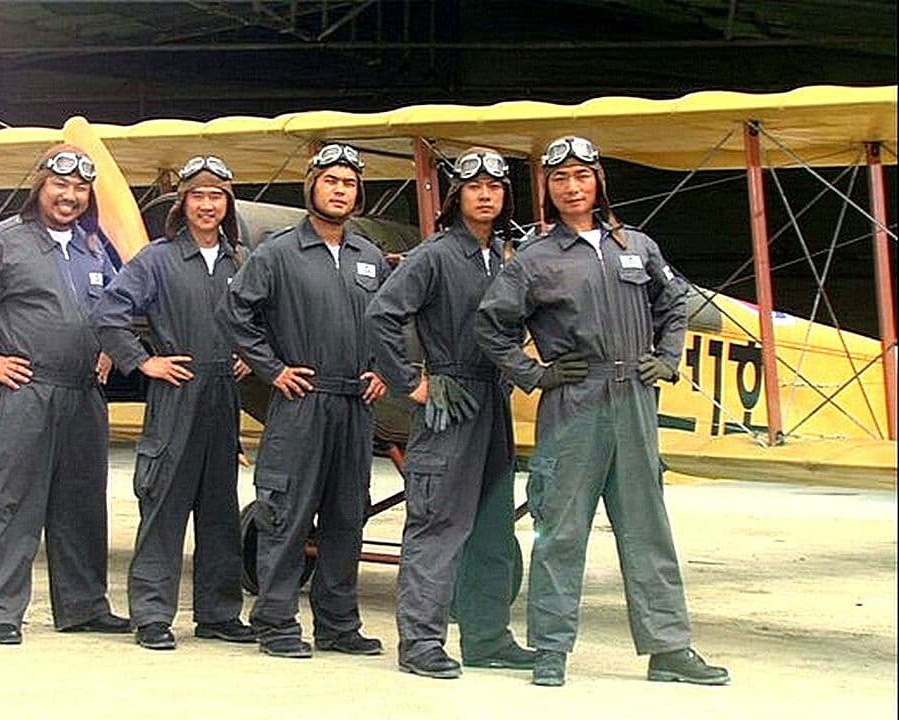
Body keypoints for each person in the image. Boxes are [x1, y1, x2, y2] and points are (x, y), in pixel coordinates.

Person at [475, 135, 730, 687]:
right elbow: (491, 327)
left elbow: (675, 301)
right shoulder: (534, 260)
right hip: (574, 401)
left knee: (647, 527)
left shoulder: (636, 245)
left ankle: (669, 649)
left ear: (598, 182)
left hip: (634, 398)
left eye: (581, 176)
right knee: (560, 530)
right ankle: (550, 649)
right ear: (547, 189)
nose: (572, 187)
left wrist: (668, 357)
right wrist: (534, 374)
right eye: (560, 178)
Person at [0, 144, 127, 645]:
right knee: (9, 501)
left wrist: (111, 347)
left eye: (80, 188)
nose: (69, 196)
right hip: (26, 391)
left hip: (83, 393)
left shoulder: (92, 246)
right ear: (40, 186)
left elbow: (116, 307)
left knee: (82, 503)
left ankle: (83, 606)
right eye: (60, 185)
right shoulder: (4, 242)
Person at [366, 148, 534, 678]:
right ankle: (420, 643)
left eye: (495, 187)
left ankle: (487, 638)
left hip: (494, 401)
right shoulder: (434, 255)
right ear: (456, 196)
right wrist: (412, 383)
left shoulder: (504, 257)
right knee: (438, 525)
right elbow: (381, 315)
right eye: (474, 187)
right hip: (449, 402)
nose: (485, 195)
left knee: (492, 527)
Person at [219, 143, 389, 659]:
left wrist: (383, 369)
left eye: (349, 184)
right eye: (331, 181)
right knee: (285, 514)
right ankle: (275, 622)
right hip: (302, 402)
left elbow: (390, 321)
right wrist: (272, 369)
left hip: (354, 405)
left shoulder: (369, 257)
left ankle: (338, 624)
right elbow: (234, 314)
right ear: (311, 186)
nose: (340, 190)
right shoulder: (277, 253)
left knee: (346, 516)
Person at [91, 155, 257, 651]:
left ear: (228, 204)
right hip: (178, 391)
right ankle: (152, 615)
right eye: (197, 196)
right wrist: (143, 362)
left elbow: (264, 315)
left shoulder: (241, 261)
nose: (207, 205)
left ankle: (219, 613)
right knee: (163, 504)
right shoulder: (157, 259)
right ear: (182, 204)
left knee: (220, 508)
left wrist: (252, 354)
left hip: (224, 396)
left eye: (217, 196)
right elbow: (108, 313)